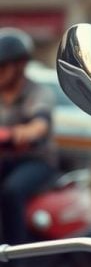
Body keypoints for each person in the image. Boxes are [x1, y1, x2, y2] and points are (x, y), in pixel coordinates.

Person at [0, 28, 57, 250]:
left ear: (20, 65)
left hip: (36, 161)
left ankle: (16, 259)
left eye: (3, 66)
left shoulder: (38, 93)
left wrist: (20, 133)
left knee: (11, 192)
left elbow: (39, 125)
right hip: (5, 160)